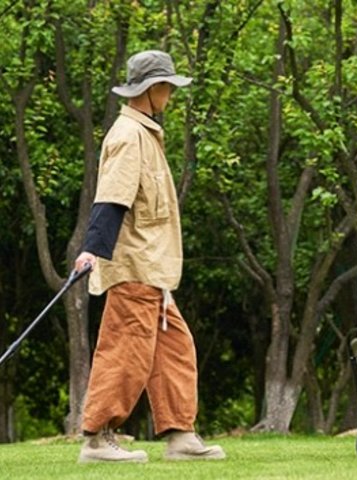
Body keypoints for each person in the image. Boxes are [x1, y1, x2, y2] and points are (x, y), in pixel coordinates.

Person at [74, 50, 226, 463]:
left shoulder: (146, 133)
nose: (171, 96)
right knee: (125, 350)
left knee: (175, 349)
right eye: (168, 88)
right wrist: (92, 249)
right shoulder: (128, 135)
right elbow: (112, 200)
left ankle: (180, 436)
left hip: (153, 270)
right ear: (152, 90)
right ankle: (96, 439)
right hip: (134, 268)